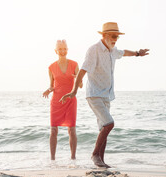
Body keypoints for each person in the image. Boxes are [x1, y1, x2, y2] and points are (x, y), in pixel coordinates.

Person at [60, 22, 149, 168]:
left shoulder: (113, 50)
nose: (115, 39)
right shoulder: (94, 50)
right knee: (109, 124)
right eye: (113, 36)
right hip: (94, 94)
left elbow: (124, 52)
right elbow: (82, 71)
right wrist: (75, 90)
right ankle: (95, 155)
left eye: (117, 36)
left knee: (103, 128)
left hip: (107, 95)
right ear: (104, 35)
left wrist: (137, 53)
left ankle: (101, 161)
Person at [43, 39, 82, 160]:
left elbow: (80, 85)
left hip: (70, 100)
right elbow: (52, 84)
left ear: (67, 49)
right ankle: (52, 159)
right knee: (53, 130)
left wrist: (77, 79)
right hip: (56, 102)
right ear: (56, 51)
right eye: (60, 49)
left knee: (72, 130)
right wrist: (48, 90)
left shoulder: (74, 64)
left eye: (64, 48)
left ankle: (73, 158)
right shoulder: (51, 67)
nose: (62, 51)